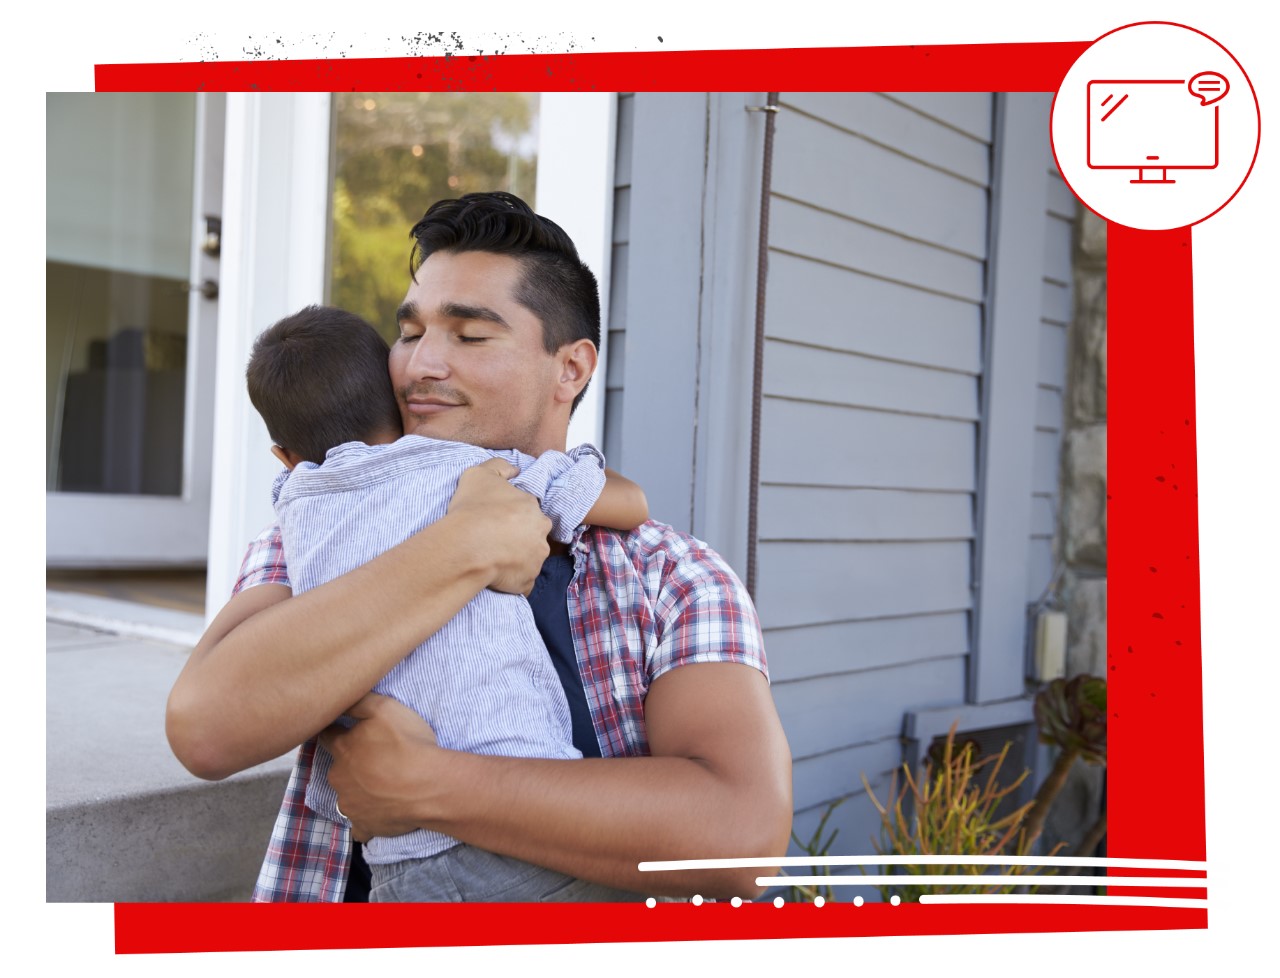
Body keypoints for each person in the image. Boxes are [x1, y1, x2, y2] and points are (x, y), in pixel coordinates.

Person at [166, 191, 793, 903]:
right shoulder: (317, 527)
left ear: (572, 369)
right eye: (409, 333)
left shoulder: (672, 577)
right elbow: (208, 729)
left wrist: (428, 786)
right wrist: (462, 547)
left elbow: (740, 834)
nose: (420, 365)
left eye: (469, 336)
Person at [244, 303, 652, 901]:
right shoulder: (465, 470)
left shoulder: (293, 512)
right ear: (400, 406)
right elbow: (627, 504)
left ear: (284, 456)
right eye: (410, 336)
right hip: (521, 819)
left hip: (395, 853)